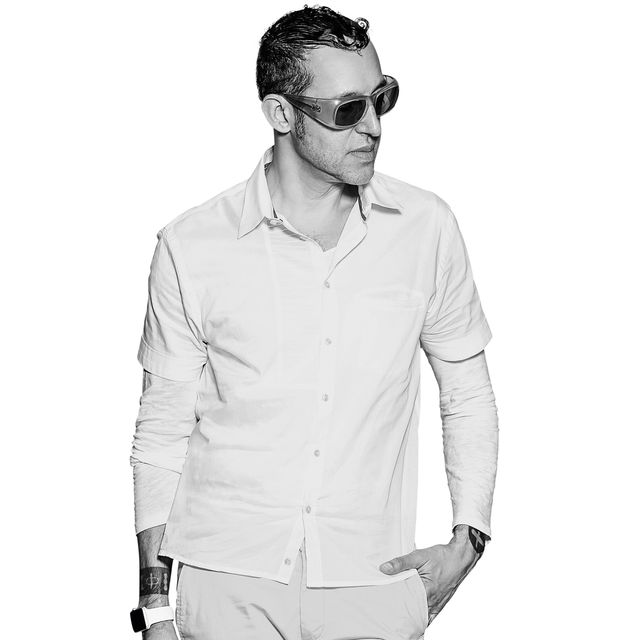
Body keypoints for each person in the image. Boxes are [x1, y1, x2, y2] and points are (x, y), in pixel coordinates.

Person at [129, 5, 499, 640]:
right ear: (281, 114)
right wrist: (156, 608)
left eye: (382, 99)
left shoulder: (426, 228)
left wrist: (469, 542)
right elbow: (161, 431)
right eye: (348, 109)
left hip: (371, 578)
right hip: (226, 582)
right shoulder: (191, 246)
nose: (373, 126)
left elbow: (467, 393)